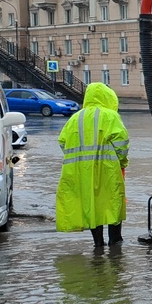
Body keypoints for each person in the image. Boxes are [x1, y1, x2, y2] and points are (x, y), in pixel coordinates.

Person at [56, 82, 129, 248]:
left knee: (91, 205)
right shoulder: (110, 116)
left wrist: (78, 159)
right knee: (112, 203)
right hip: (108, 169)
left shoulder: (76, 118)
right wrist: (122, 162)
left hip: (80, 171)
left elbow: (62, 142)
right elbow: (121, 143)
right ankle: (115, 242)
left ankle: (98, 244)